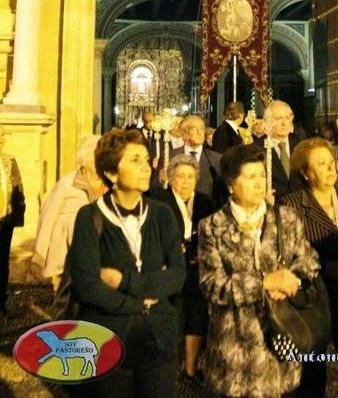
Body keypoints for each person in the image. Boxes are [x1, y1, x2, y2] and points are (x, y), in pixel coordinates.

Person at [68, 128, 186, 398]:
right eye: (135, 160)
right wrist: (139, 302)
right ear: (111, 173)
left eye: (146, 160)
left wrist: (125, 281)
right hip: (107, 337)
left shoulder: (162, 214)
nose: (146, 168)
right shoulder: (89, 218)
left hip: (159, 338)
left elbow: (178, 274)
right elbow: (87, 285)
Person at [198, 143, 320, 398]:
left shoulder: (285, 218)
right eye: (250, 177)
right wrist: (263, 283)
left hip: (280, 343)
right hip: (235, 351)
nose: (259, 182)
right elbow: (211, 284)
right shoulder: (212, 226)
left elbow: (309, 261)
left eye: (262, 175)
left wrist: (292, 278)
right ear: (231, 184)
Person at [284, 137, 338, 398]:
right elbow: (286, 254)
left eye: (331, 162)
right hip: (313, 301)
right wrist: (323, 269)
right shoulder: (293, 205)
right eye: (322, 164)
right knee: (312, 375)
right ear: (305, 172)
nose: (331, 168)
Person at [150, 154, 215, 387]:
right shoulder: (159, 201)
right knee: (174, 317)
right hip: (171, 266)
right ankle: (164, 368)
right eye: (180, 176)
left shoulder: (206, 202)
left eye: (190, 176)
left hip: (199, 266)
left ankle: (190, 369)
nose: (186, 181)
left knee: (197, 317)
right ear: (171, 178)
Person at [33, 135, 104, 292]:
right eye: (97, 155)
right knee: (65, 298)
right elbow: (48, 216)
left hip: (98, 252)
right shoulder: (67, 183)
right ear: (85, 158)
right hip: (65, 255)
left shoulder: (109, 184)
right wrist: (41, 252)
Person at [171, 114, 226, 205]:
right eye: (194, 129)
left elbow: (222, 192)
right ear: (184, 133)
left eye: (201, 129)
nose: (200, 133)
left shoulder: (216, 159)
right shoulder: (170, 156)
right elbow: (156, 186)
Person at [0, 124, 25, 317]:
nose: (1, 138)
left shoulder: (9, 160)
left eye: (3, 135)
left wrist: (18, 215)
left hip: (5, 220)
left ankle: (1, 304)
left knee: (2, 263)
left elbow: (18, 188)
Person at [256, 100, 302, 201]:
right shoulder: (257, 149)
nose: (284, 123)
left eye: (287, 118)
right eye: (278, 119)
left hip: (300, 204)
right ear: (267, 121)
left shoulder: (300, 143)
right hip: (274, 205)